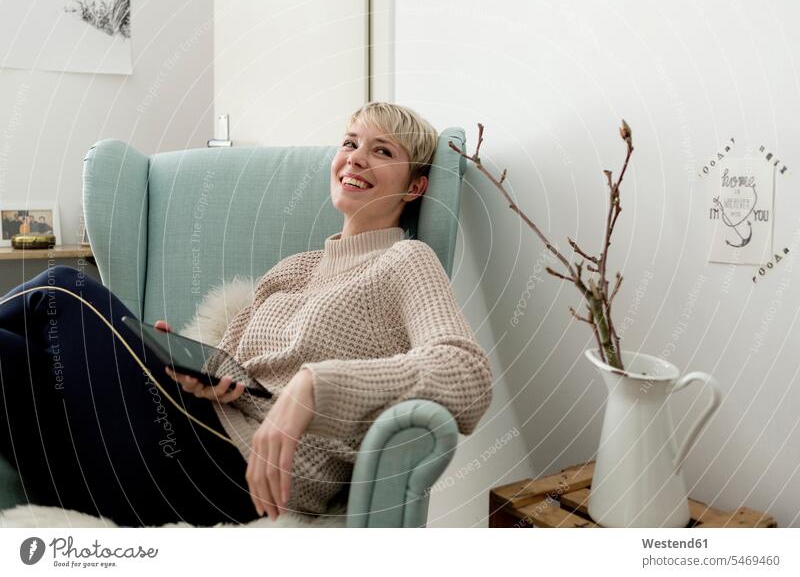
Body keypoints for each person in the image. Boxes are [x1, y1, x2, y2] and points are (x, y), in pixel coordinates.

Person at [0, 102, 493, 527]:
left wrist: (313, 387)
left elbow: (467, 375)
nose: (356, 157)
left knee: (62, 290)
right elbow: (228, 367)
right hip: (180, 438)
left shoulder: (406, 261)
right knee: (11, 357)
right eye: (350, 142)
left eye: (382, 151)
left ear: (414, 187)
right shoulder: (291, 271)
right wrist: (195, 371)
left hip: (234, 478)